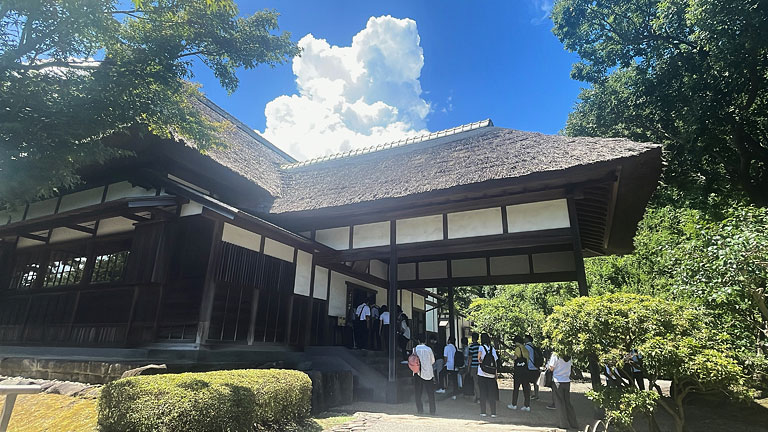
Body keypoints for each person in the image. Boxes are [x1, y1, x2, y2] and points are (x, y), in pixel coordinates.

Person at [548, 352, 579, 430]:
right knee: (567, 403)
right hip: (566, 381)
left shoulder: (556, 355)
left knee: (560, 403)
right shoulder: (569, 355)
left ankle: (563, 424)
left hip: (557, 381)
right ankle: (573, 423)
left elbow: (551, 367)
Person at [412, 335, 437, 415]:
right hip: (428, 372)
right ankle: (432, 410)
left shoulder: (415, 349)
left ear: (418, 341)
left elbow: (412, 360)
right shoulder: (429, 349)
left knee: (418, 392)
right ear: (425, 341)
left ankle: (420, 409)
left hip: (418, 372)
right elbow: (433, 361)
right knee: (430, 392)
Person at [477, 333, 499, 418]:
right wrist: (495, 373)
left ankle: (483, 412)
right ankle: (493, 413)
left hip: (482, 373)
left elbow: (478, 359)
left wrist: (481, 360)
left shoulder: (481, 347)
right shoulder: (492, 349)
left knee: (483, 392)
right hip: (491, 374)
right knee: (491, 394)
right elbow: (495, 361)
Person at [508, 335, 531, 412]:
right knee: (526, 389)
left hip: (518, 371)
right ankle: (527, 405)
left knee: (516, 388)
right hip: (526, 370)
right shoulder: (525, 349)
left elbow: (515, 358)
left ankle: (514, 404)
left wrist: (508, 355)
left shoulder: (518, 349)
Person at [524, 334, 540, 400]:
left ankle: (530, 394)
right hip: (536, 366)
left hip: (529, 367)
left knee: (527, 382)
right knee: (535, 382)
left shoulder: (526, 347)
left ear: (528, 339)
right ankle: (536, 395)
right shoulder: (534, 347)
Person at [468, 332, 481, 402]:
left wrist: (468, 367)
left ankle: (478, 397)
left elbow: (470, 358)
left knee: (475, 382)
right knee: (479, 381)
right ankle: (478, 396)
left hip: (473, 366)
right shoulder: (480, 347)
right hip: (480, 366)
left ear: (473, 338)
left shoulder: (471, 347)